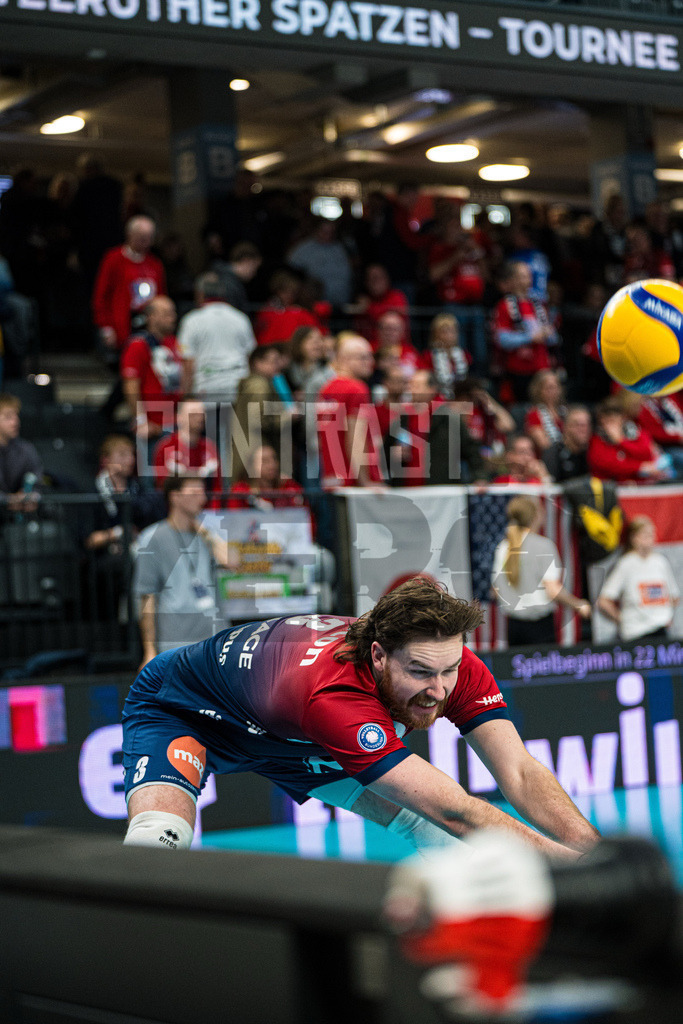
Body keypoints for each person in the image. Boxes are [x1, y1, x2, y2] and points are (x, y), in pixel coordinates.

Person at [121, 576, 600, 856]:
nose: (438, 691)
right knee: (160, 842)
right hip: (185, 710)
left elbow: (518, 771)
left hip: (294, 741)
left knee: (433, 834)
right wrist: (585, 874)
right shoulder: (335, 698)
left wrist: (596, 852)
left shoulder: (451, 664)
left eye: (449, 670)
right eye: (419, 672)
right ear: (377, 656)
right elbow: (455, 809)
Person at [133, 475, 236, 669]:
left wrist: (206, 533)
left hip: (215, 638)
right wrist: (149, 650)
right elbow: (147, 596)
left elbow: (232, 562)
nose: (202, 498)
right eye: (194, 492)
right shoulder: (153, 537)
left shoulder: (207, 533)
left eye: (203, 492)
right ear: (175, 497)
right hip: (176, 642)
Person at [491, 496, 591, 647]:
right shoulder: (543, 546)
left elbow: (495, 591)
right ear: (536, 516)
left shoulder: (503, 547)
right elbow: (552, 590)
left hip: (514, 627)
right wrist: (578, 605)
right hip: (541, 628)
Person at [316, 334, 385, 488]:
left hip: (331, 478)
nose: (371, 363)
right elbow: (356, 439)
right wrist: (365, 481)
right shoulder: (356, 389)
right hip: (353, 483)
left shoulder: (326, 389)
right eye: (364, 358)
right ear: (345, 359)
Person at [92, 215, 167, 357]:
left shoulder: (155, 264)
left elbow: (162, 297)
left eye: (149, 238)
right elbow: (101, 295)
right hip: (123, 325)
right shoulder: (113, 259)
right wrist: (106, 327)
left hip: (149, 326)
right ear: (130, 235)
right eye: (142, 237)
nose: (146, 242)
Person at [597, 516, 679, 643]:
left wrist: (666, 615)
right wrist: (622, 619)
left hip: (661, 630)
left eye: (652, 534)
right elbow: (604, 601)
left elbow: (675, 596)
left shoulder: (660, 562)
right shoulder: (626, 564)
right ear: (634, 538)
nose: (650, 539)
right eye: (645, 535)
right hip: (635, 633)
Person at [177, 272, 256, 404]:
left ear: (200, 294)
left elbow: (188, 363)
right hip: (237, 386)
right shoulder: (240, 318)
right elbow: (251, 357)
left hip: (206, 388)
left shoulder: (191, 321)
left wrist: (186, 396)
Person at [120, 295, 183, 454]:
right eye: (166, 313)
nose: (173, 317)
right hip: (152, 427)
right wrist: (141, 421)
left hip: (175, 424)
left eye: (173, 313)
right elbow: (131, 385)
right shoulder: (138, 345)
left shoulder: (176, 343)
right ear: (151, 316)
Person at [491, 261, 559, 403]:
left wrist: (549, 334)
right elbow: (502, 339)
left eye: (528, 275)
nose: (527, 279)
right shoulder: (504, 305)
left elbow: (554, 338)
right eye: (522, 276)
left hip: (541, 369)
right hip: (518, 370)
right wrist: (530, 337)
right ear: (512, 280)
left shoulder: (539, 305)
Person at [587, 397, 670, 484]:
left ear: (622, 418)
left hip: (641, 485)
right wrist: (639, 467)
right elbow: (608, 465)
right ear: (601, 420)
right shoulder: (597, 439)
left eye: (614, 419)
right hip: (611, 487)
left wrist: (621, 441)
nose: (610, 424)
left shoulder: (634, 431)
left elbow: (646, 452)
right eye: (606, 419)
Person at [152, 399, 221, 497]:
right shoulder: (166, 446)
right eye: (193, 414)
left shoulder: (210, 447)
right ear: (179, 418)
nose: (199, 418)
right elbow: (162, 486)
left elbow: (216, 488)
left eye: (202, 414)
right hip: (174, 507)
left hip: (206, 507)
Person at [0, 392, 42, 510]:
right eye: (8, 417)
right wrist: (7, 500)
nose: (15, 422)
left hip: (21, 517)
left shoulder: (26, 449)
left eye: (16, 416)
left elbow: (37, 482)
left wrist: (31, 496)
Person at [209, 241, 262, 315]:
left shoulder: (223, 277)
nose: (254, 273)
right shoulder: (230, 284)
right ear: (246, 260)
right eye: (255, 268)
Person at [542, 405, 592, 482]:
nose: (583, 430)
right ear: (566, 427)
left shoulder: (593, 453)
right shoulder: (553, 454)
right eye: (578, 425)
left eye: (586, 425)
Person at [524, 369, 565, 454]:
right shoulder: (534, 414)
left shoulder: (565, 411)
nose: (554, 391)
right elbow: (544, 444)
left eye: (556, 387)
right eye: (549, 387)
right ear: (539, 390)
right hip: (549, 457)